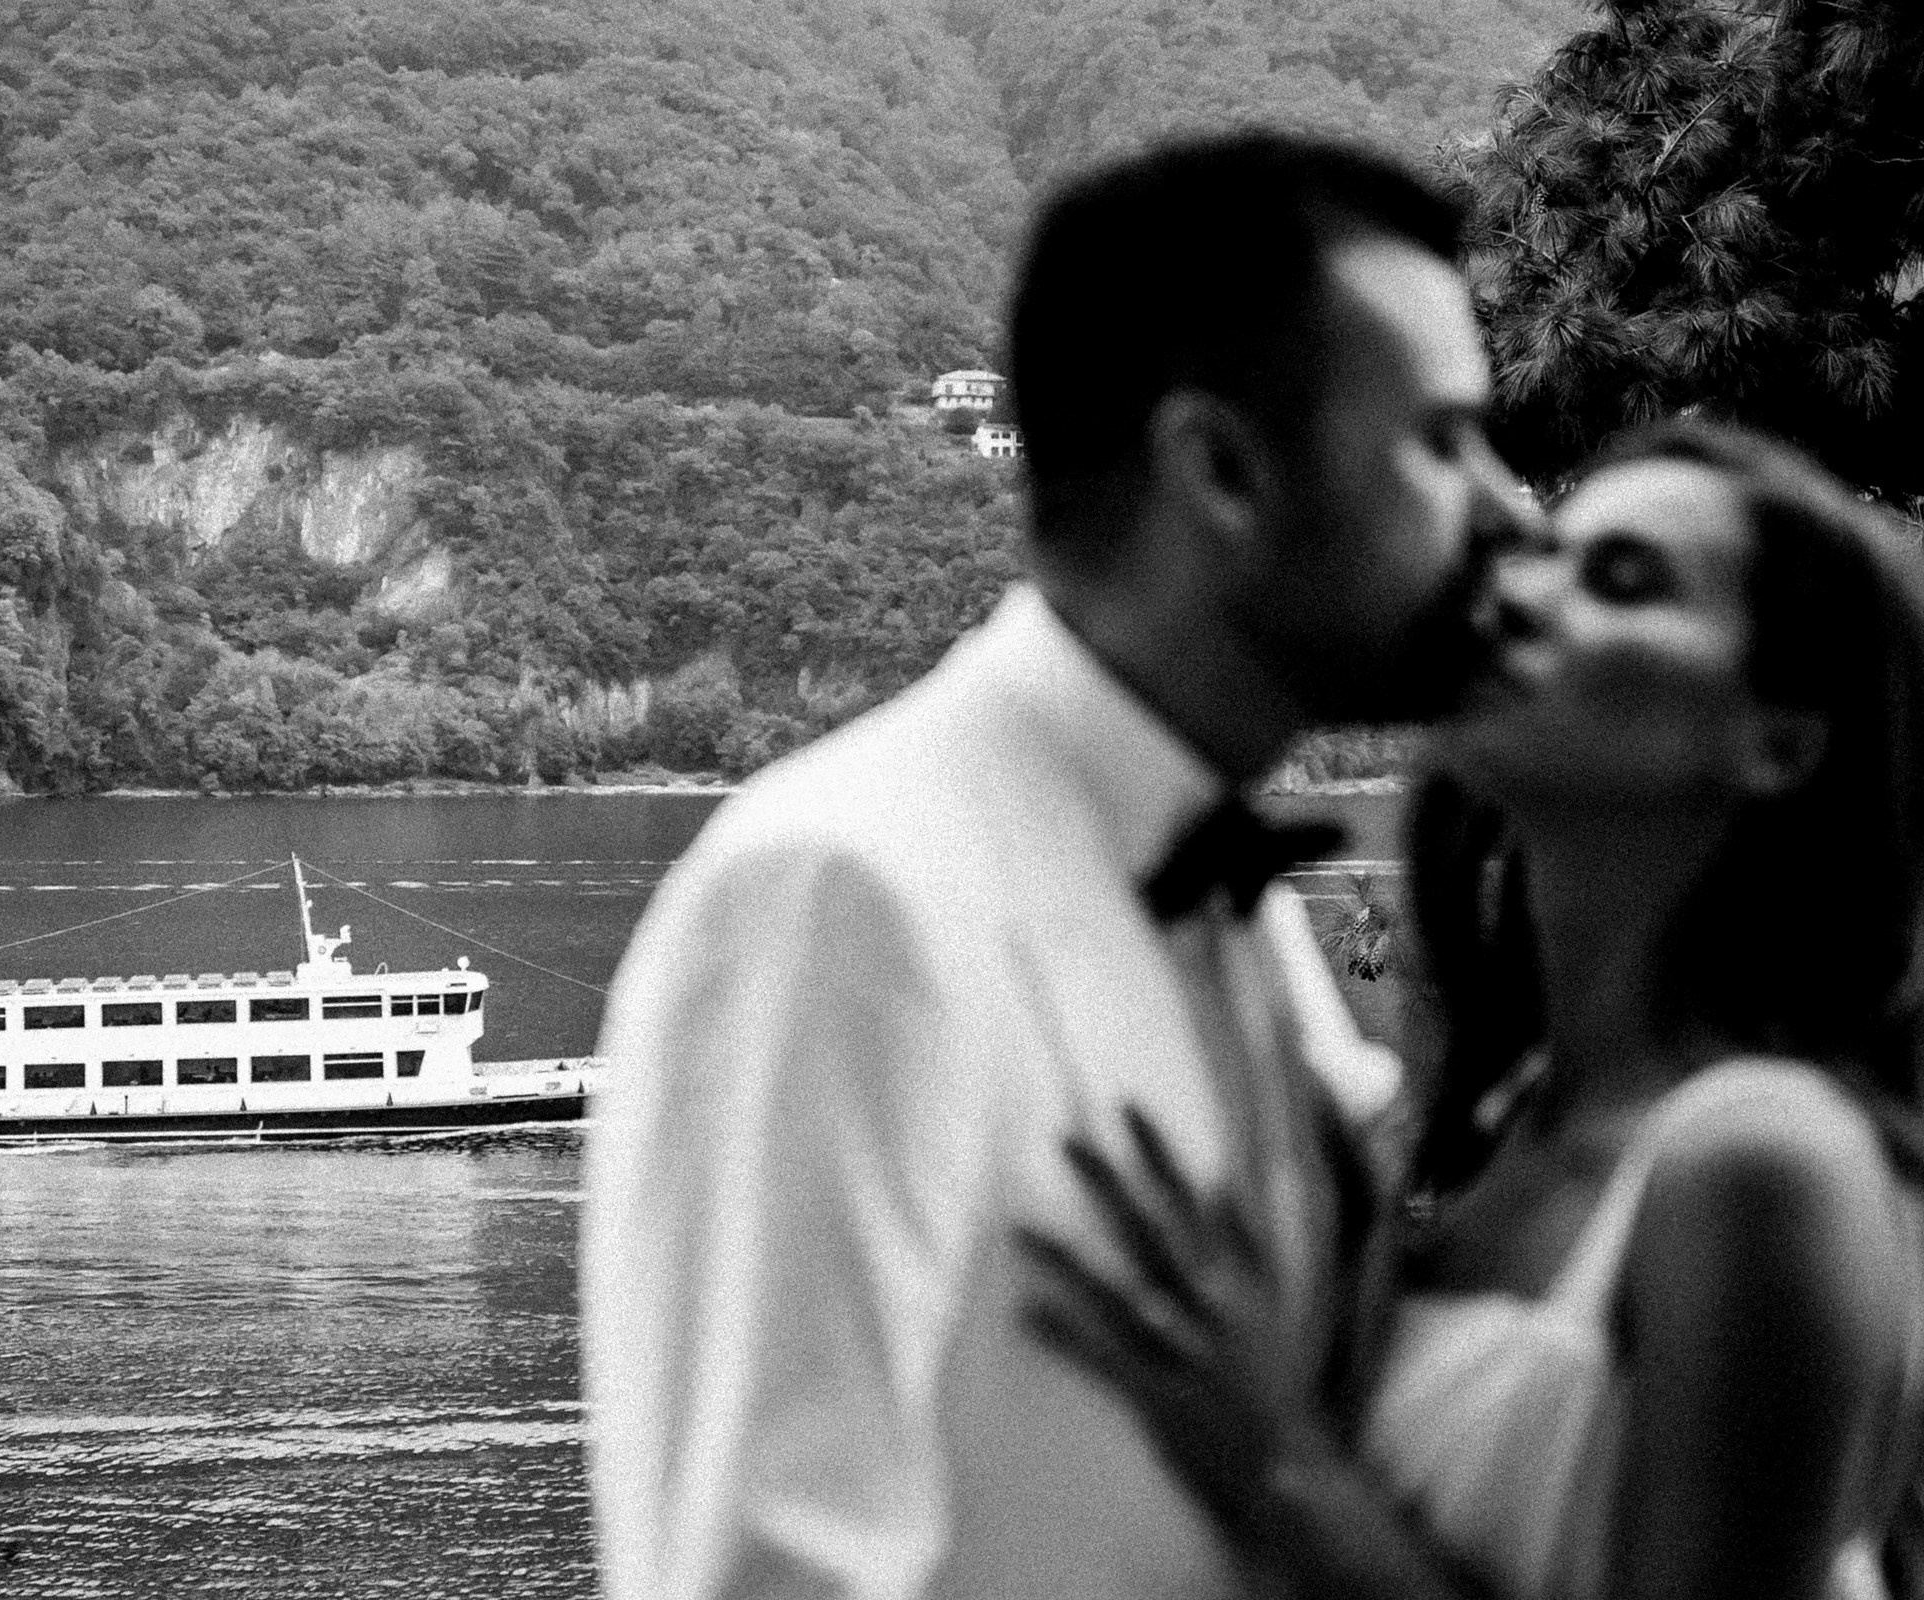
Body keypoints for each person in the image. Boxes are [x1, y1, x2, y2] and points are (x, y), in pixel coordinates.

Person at [583, 131, 1537, 1600]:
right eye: (1440, 441)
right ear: (1218, 468)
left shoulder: (1228, 893)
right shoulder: (841, 898)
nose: (1513, 510)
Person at [1025, 419, 1924, 1600]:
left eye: (1619, 579)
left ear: (1779, 742)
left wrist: (1277, 1466)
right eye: (1540, 553)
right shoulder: (1480, 1118)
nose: (1512, 599)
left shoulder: (1758, 1160)